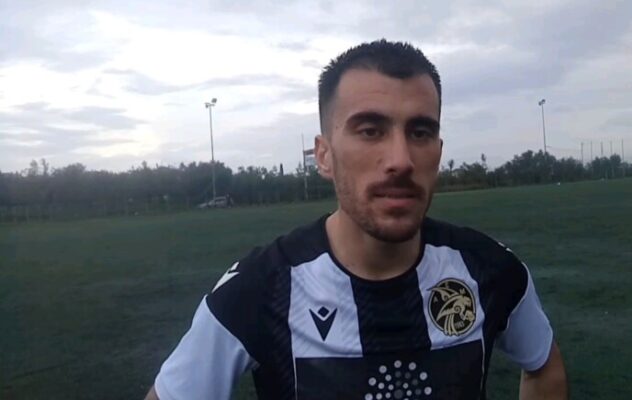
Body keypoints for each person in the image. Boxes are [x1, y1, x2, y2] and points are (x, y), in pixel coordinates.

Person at [145, 39, 568, 400]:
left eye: (420, 132)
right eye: (370, 130)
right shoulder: (259, 288)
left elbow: (543, 367)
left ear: (438, 152)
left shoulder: (491, 269)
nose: (401, 160)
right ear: (324, 155)